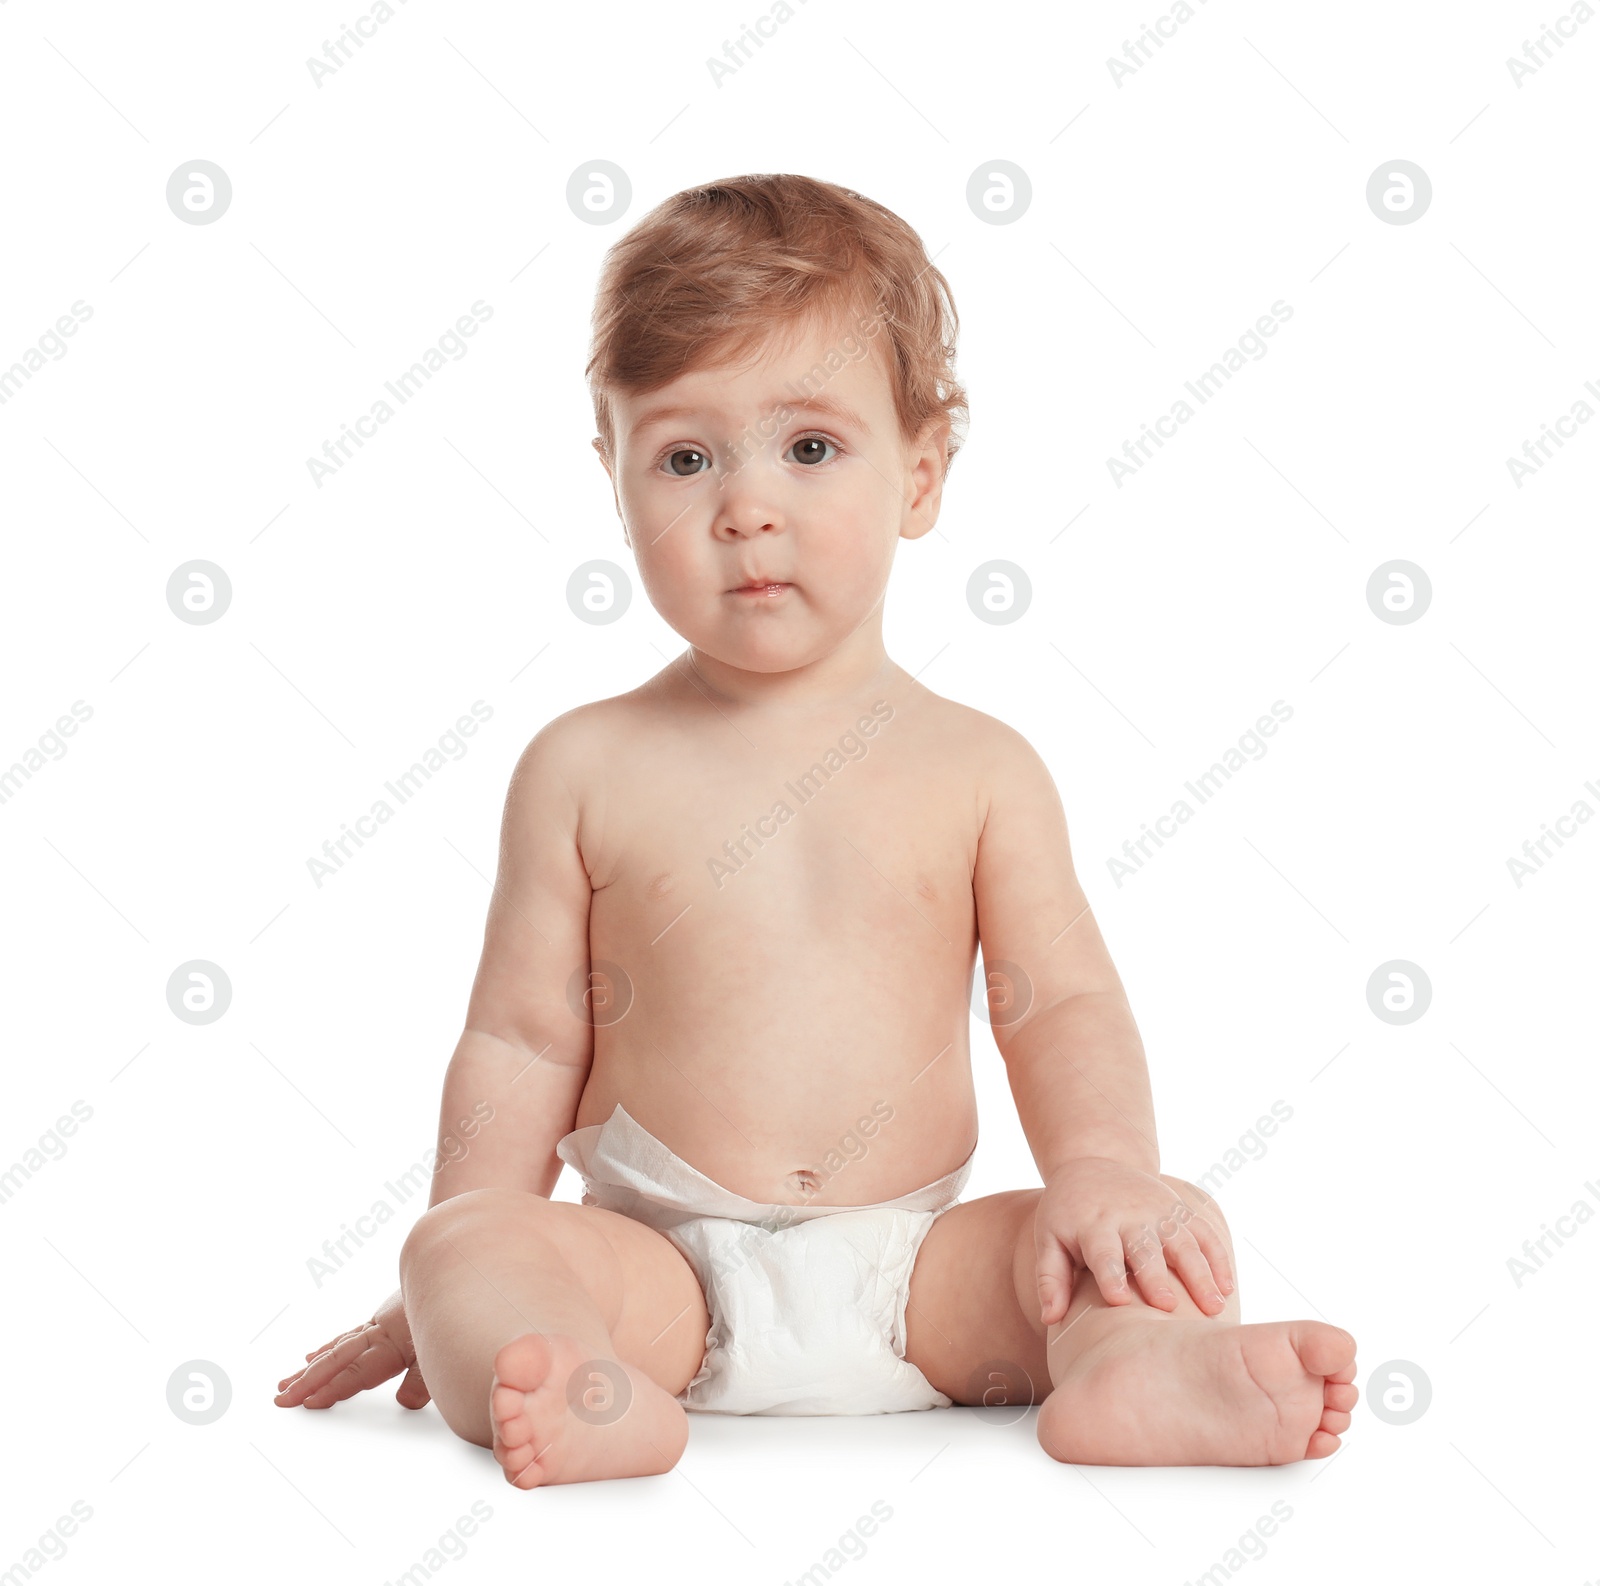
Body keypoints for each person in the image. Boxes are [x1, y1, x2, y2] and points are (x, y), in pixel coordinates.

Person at [275, 172, 1358, 1488]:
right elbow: (520, 1034)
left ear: (922, 468)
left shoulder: (981, 768)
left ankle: (1133, 1367)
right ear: (612, 477)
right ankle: (582, 1377)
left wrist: (1107, 1171)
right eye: (685, 456)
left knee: (1157, 1230)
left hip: (923, 1276)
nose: (745, 509)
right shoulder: (581, 765)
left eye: (808, 447)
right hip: (658, 1277)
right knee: (458, 1250)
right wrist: (474, 1264)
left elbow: (1058, 1000)